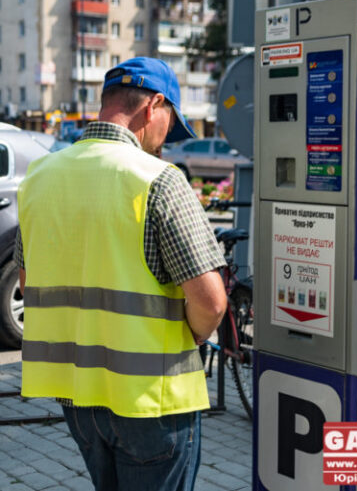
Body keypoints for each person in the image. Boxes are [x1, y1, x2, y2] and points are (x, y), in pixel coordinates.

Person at [14, 57, 227, 491]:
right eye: (171, 123)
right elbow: (211, 302)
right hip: (154, 400)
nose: (166, 139)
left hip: (77, 396)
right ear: (153, 107)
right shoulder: (159, 180)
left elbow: (25, 282)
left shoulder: (39, 176)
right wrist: (196, 337)